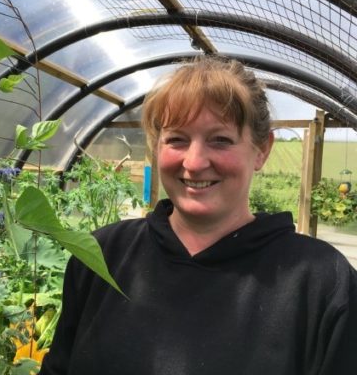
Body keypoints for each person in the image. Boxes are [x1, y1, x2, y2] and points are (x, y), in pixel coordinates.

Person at [39, 56, 357, 375]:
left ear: (261, 149)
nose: (194, 162)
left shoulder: (320, 281)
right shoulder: (104, 253)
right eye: (177, 139)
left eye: (220, 140)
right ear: (157, 146)